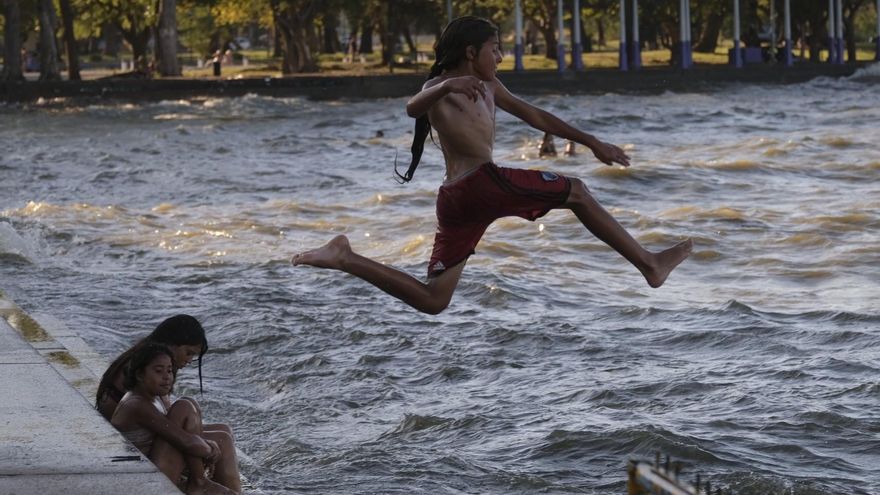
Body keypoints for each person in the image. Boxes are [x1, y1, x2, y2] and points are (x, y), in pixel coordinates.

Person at [292, 16, 692, 315]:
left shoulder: (490, 87)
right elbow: (411, 106)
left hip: (456, 199)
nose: (500, 56)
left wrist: (591, 142)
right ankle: (650, 265)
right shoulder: (441, 87)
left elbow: (535, 115)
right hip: (480, 184)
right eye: (495, 49)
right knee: (577, 192)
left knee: (434, 300)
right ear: (471, 53)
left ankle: (346, 258)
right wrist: (447, 85)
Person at [97, 315, 241, 493]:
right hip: (142, 464)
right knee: (210, 430)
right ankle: (202, 483)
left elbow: (165, 422)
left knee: (221, 430)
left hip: (148, 445)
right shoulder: (137, 390)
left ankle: (216, 486)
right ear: (171, 345)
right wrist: (207, 447)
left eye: (169, 371)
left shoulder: (146, 365)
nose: (189, 360)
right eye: (188, 353)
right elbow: (182, 437)